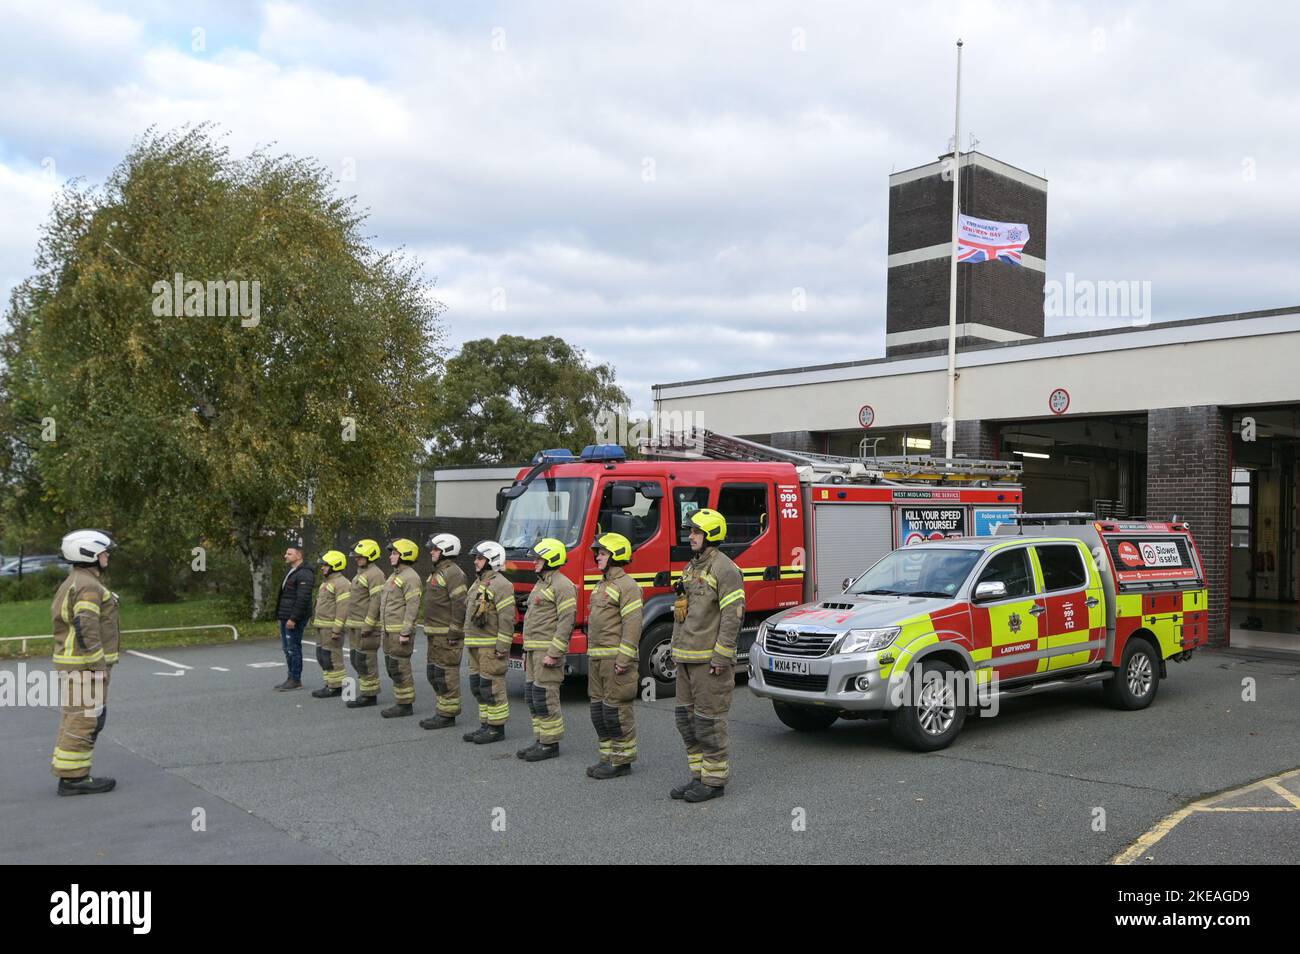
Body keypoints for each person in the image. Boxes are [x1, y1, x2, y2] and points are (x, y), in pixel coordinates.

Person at [668, 509, 745, 802]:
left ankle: (714, 782)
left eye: (696, 532)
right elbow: (683, 613)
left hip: (708, 662)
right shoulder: (692, 567)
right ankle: (698, 776)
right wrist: (675, 649)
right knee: (686, 720)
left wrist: (721, 657)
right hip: (686, 658)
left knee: (708, 721)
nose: (690, 536)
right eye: (691, 531)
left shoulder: (725, 569)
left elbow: (733, 616)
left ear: (711, 534)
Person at [49, 529, 115, 795]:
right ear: (88, 553)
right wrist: (98, 666)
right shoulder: (88, 585)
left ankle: (71, 773)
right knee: (84, 720)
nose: (107, 555)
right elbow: (86, 627)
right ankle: (73, 779)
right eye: (104, 552)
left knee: (78, 718)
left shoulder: (78, 580)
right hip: (84, 665)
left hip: (76, 664)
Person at [584, 532, 643, 779]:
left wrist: (623, 659)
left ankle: (621, 762)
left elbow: (633, 625)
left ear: (616, 555)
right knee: (599, 711)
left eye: (602, 553)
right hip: (597, 658)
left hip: (614, 660)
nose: (597, 557)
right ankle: (607, 757)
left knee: (616, 711)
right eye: (598, 553)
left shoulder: (627, 586)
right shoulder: (602, 585)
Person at [517, 538, 576, 762]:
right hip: (534, 649)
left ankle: (550, 744)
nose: (534, 562)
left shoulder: (563, 585)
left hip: (546, 650)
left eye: (538, 559)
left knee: (546, 696)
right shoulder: (542, 583)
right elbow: (533, 618)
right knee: (533, 696)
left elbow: (566, 621)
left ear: (551, 559)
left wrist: (554, 652)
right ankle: (540, 739)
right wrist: (525, 650)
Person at [461, 540, 515, 744]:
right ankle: (485, 724)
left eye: (480, 558)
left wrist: (502, 647)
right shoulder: (478, 583)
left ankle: (496, 728)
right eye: (476, 558)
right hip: (475, 645)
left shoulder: (502, 585)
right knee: (478, 687)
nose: (475, 561)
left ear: (492, 560)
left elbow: (507, 619)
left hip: (490, 647)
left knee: (491, 688)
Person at [420, 533, 468, 729]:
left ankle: (447, 716)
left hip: (446, 636)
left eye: (436, 549)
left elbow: (460, 604)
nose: (432, 552)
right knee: (434, 673)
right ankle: (441, 711)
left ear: (447, 550)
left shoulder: (453, 573)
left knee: (446, 675)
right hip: (434, 634)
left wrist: (454, 632)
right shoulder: (438, 571)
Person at [379, 538, 422, 718]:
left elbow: (412, 607)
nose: (391, 556)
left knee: (400, 667)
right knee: (392, 667)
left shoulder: (410, 577)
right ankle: (401, 701)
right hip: (389, 631)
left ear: (405, 555)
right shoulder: (395, 576)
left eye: (395, 553)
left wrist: (405, 632)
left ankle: (405, 705)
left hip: (399, 632)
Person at [345, 539, 387, 709]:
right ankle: (366, 690)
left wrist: (369, 624)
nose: (356, 558)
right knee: (356, 659)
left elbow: (376, 601)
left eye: (360, 556)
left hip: (366, 627)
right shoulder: (362, 573)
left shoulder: (375, 574)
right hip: (355, 625)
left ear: (370, 555)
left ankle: (370, 695)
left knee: (365, 660)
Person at [310, 550, 351, 699]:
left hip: (331, 628)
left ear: (335, 565)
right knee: (322, 656)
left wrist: (336, 630)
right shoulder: (327, 582)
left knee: (333, 657)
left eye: (325, 565)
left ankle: (336, 687)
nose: (322, 567)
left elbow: (343, 609)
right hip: (322, 627)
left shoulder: (342, 584)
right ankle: (329, 683)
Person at [274, 543, 315, 691]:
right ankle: (290, 677)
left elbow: (302, 598)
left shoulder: (305, 573)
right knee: (287, 649)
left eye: (289, 553)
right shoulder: (293, 571)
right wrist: (281, 616)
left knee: (293, 648)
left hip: (294, 618)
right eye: (286, 553)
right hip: (286, 616)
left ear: (299, 555)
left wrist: (293, 618)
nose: (285, 556)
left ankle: (296, 680)